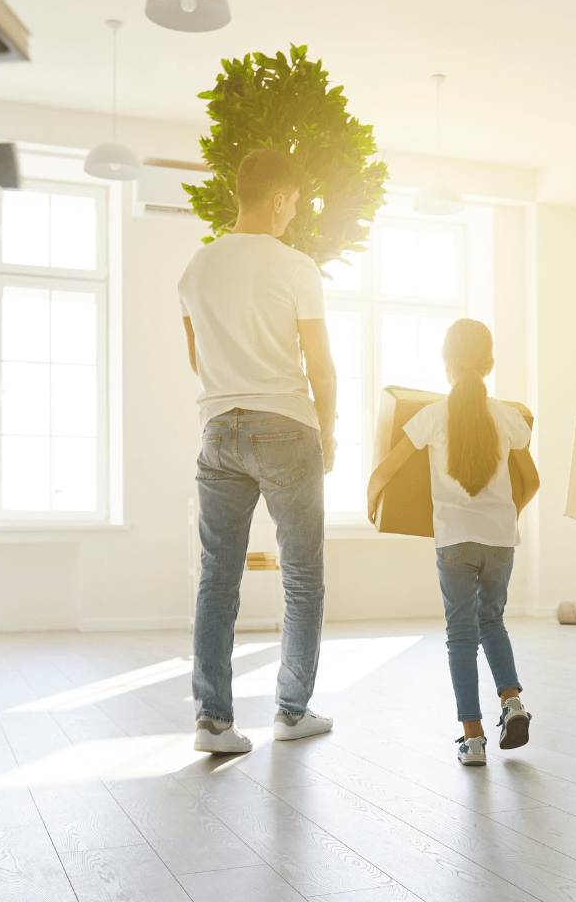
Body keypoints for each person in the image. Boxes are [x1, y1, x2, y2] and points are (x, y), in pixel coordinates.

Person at [178, 148, 338, 754]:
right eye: (294, 202)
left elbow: (197, 359)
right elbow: (319, 364)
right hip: (286, 426)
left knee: (217, 579)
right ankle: (291, 712)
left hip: (218, 429)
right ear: (277, 200)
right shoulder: (296, 266)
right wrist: (331, 430)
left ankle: (213, 722)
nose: (294, 212)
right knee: (302, 578)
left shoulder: (196, 269)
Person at [367, 319, 539, 766]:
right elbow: (532, 480)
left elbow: (387, 469)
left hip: (454, 542)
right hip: (500, 542)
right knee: (493, 621)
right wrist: (508, 516)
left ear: (445, 363)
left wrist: (372, 495)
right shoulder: (507, 416)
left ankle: (474, 739)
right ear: (490, 362)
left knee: (461, 637)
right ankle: (513, 702)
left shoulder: (431, 416)